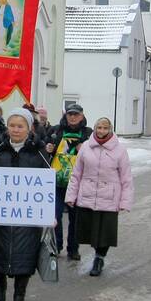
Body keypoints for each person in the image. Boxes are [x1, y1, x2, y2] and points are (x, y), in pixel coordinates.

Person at [0, 108, 50, 301]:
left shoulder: (38, 152)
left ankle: (19, 297)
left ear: (29, 128)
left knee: (25, 256)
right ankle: (0, 283)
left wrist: (48, 211)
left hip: (27, 217)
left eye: (20, 126)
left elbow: (46, 183)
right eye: (12, 125)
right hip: (0, 215)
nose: (16, 130)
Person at [64, 116, 134, 277]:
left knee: (105, 233)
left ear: (110, 130)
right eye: (99, 128)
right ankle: (97, 252)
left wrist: (125, 201)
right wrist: (71, 196)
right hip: (87, 195)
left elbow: (126, 178)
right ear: (95, 129)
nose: (102, 131)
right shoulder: (86, 147)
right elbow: (76, 174)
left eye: (105, 128)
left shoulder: (119, 150)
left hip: (109, 197)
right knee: (89, 231)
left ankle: (99, 258)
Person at [45, 103, 92, 261]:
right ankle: (56, 246)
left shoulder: (88, 133)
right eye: (70, 114)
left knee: (75, 218)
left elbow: (96, 156)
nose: (72, 117)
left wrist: (85, 149)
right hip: (56, 181)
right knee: (56, 215)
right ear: (66, 115)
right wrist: (48, 148)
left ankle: (73, 249)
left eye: (76, 114)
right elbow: (43, 146)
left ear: (82, 116)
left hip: (77, 183)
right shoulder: (55, 130)